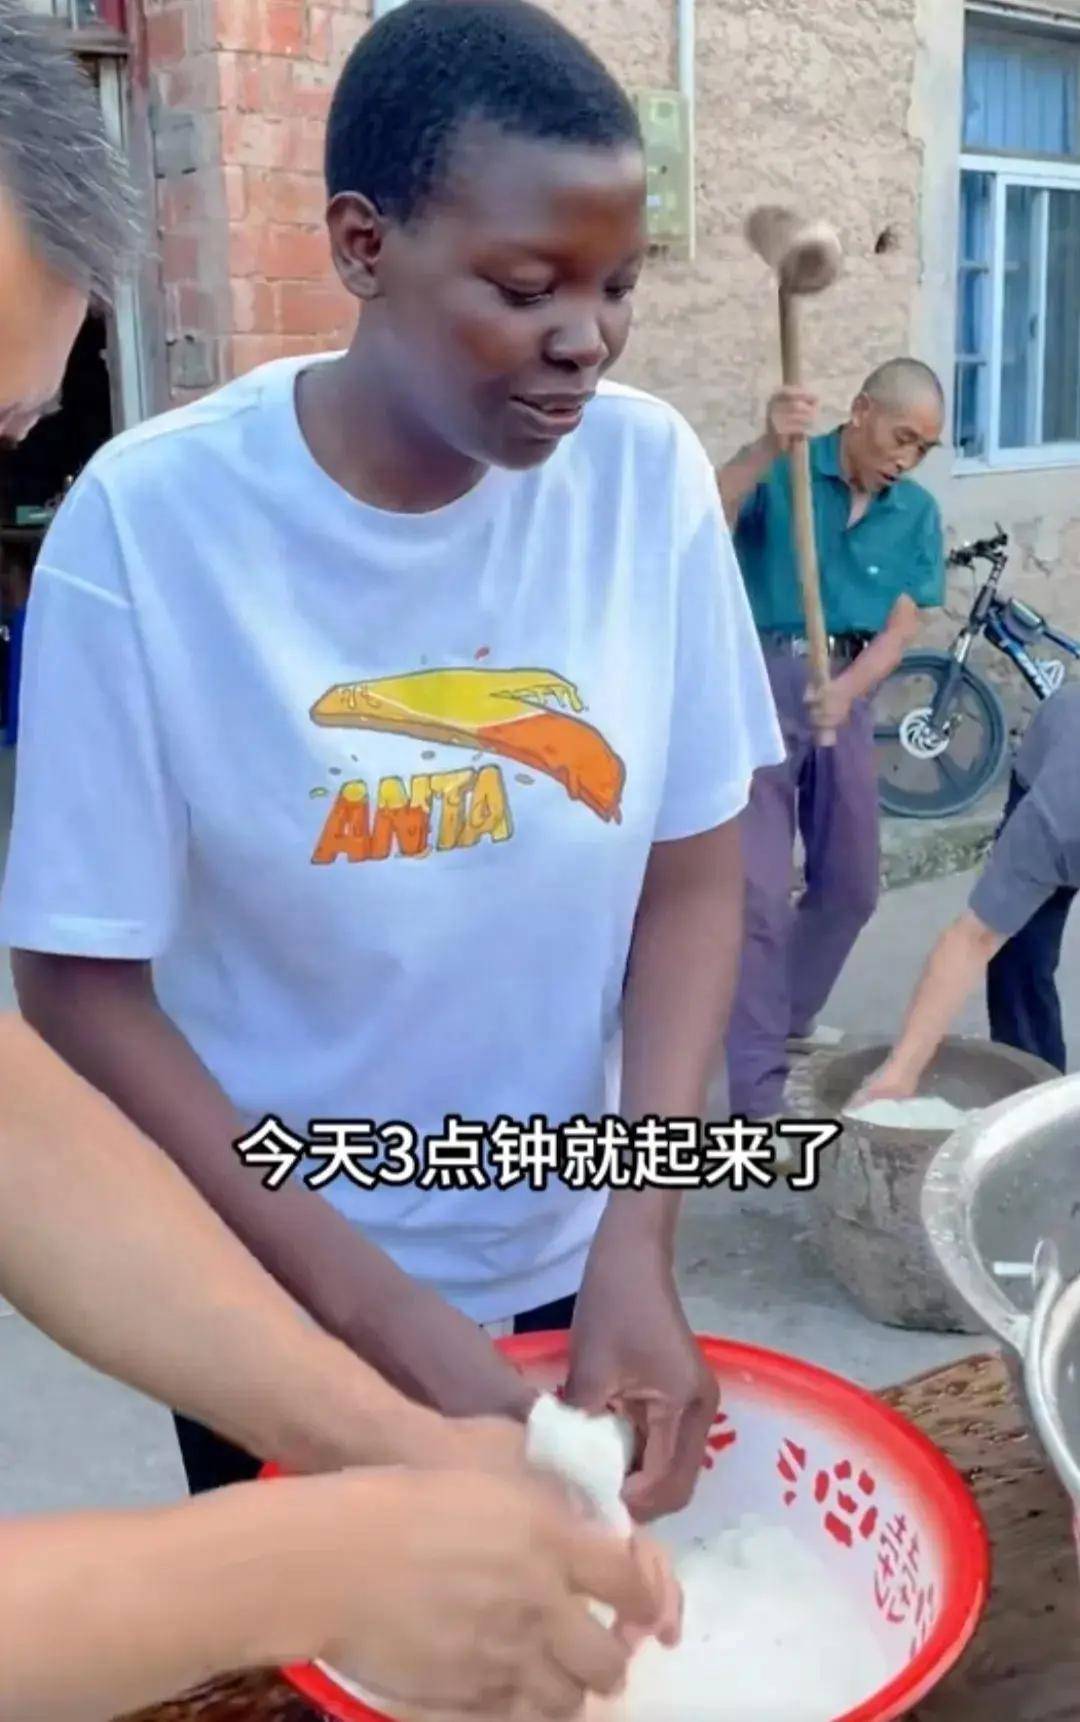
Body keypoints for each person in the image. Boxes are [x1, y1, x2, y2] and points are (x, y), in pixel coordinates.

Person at [0, 0, 783, 1518]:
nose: (586, 337)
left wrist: (637, 1239)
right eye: (525, 286)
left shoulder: (646, 479)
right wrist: (372, 1315)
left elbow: (697, 870)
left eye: (619, 284)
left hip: (564, 1246)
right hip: (270, 1282)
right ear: (363, 246)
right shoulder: (149, 526)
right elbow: (78, 979)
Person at [715, 360, 946, 1122]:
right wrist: (762, 445)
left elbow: (902, 626)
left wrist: (847, 692)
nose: (906, 459)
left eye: (923, 449)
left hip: (846, 684)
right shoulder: (786, 467)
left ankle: (785, 1016)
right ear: (861, 411)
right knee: (758, 896)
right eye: (901, 438)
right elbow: (703, 519)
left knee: (850, 884)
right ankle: (758, 1094)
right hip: (756, 682)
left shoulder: (915, 513)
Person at [858, 683, 1080, 1102]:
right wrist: (901, 1072)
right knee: (1021, 955)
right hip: (1055, 750)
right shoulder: (1054, 824)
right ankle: (1035, 1099)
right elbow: (974, 938)